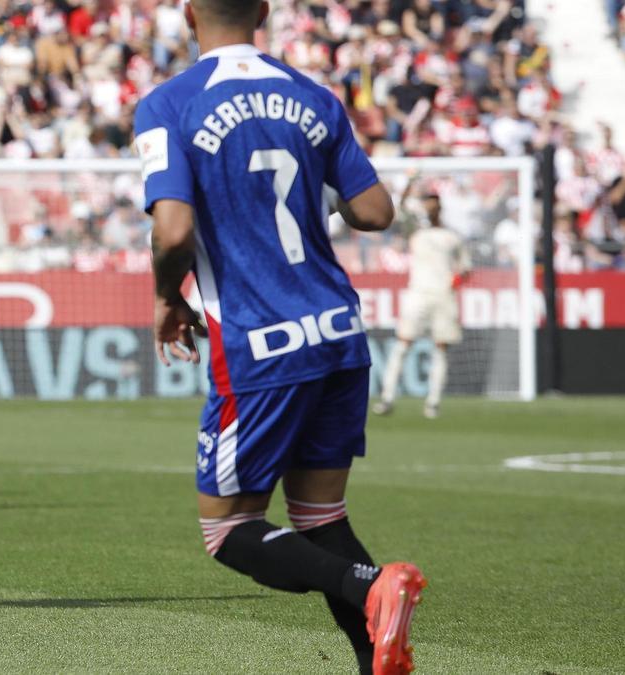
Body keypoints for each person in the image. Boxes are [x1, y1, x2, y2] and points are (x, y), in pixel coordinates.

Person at [135, 2, 425, 673]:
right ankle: (376, 656)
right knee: (320, 514)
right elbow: (375, 211)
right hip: (339, 330)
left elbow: (173, 230)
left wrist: (163, 297)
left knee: (229, 529)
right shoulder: (312, 95)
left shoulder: (168, 104)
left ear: (187, 15)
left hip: (260, 339)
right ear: (263, 11)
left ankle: (372, 585)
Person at [373, 193, 470, 419]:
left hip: (443, 296)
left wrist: (456, 279)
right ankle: (387, 397)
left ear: (439, 208)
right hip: (417, 293)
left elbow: (465, 267)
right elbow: (399, 207)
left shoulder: (452, 237)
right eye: (426, 205)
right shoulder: (416, 232)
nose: (429, 209)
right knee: (403, 344)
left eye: (432, 205)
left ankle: (433, 402)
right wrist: (409, 185)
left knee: (440, 348)